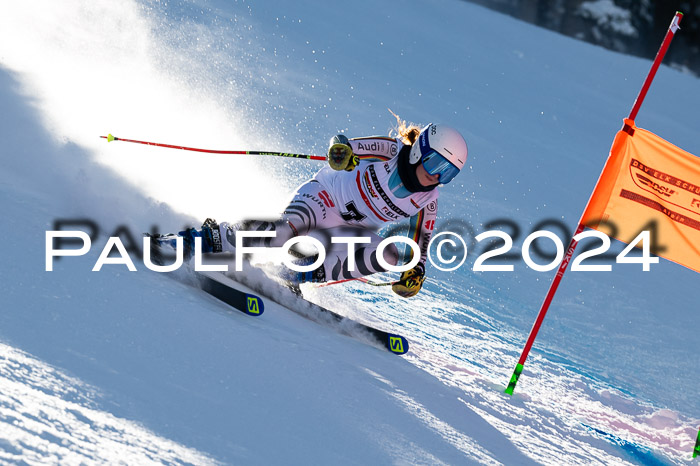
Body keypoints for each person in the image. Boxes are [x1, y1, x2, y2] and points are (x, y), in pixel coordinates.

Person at [160, 116, 468, 298]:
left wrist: (414, 272)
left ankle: (293, 274)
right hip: (324, 198)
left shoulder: (428, 201)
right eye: (435, 163)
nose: (436, 176)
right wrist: (341, 154)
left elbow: (419, 249)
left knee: (391, 255)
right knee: (281, 234)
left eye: (448, 173)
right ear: (420, 150)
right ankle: (211, 237)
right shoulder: (390, 151)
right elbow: (344, 144)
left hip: (350, 231)